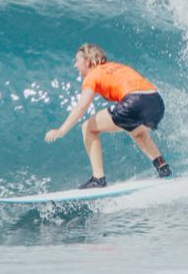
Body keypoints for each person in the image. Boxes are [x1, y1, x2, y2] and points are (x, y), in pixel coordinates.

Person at [44, 43, 173, 189]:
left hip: (134, 101)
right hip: (156, 102)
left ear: (87, 61)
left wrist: (61, 130)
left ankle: (98, 179)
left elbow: (81, 107)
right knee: (139, 133)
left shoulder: (92, 75)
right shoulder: (116, 66)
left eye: (77, 61)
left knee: (88, 127)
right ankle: (163, 167)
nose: (75, 65)